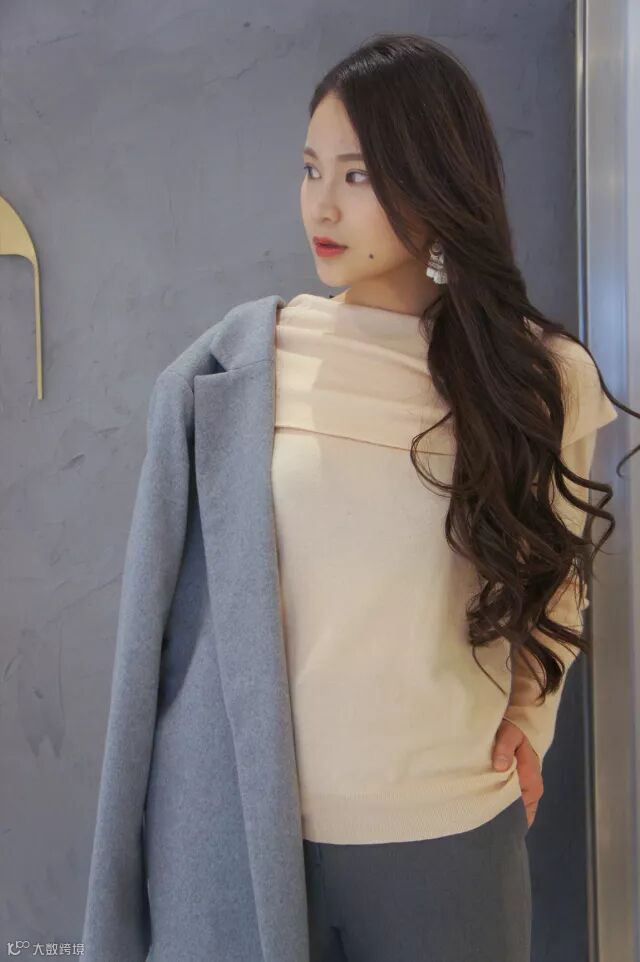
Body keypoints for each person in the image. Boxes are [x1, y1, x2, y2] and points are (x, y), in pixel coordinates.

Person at [81, 32, 639, 962]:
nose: (322, 205)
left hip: (449, 832)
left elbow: (558, 578)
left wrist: (529, 718)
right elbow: (175, 622)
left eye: (358, 175)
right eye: (310, 170)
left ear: (437, 180)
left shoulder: (538, 378)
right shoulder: (249, 364)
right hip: (259, 835)